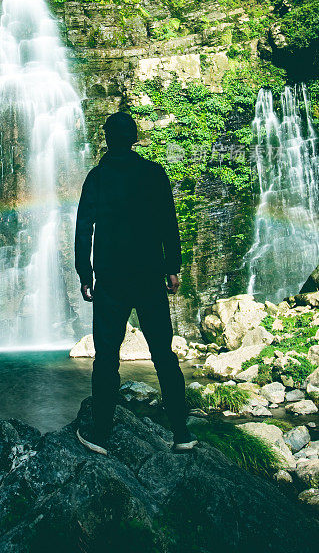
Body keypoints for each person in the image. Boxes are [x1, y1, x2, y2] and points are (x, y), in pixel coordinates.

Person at [74, 111, 197, 454]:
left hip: (111, 280)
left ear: (107, 139)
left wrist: (86, 275)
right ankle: (181, 433)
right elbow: (168, 222)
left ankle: (100, 435)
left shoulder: (97, 178)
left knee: (106, 358)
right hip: (148, 276)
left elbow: (84, 229)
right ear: (135, 138)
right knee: (164, 356)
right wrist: (172, 266)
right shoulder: (153, 173)